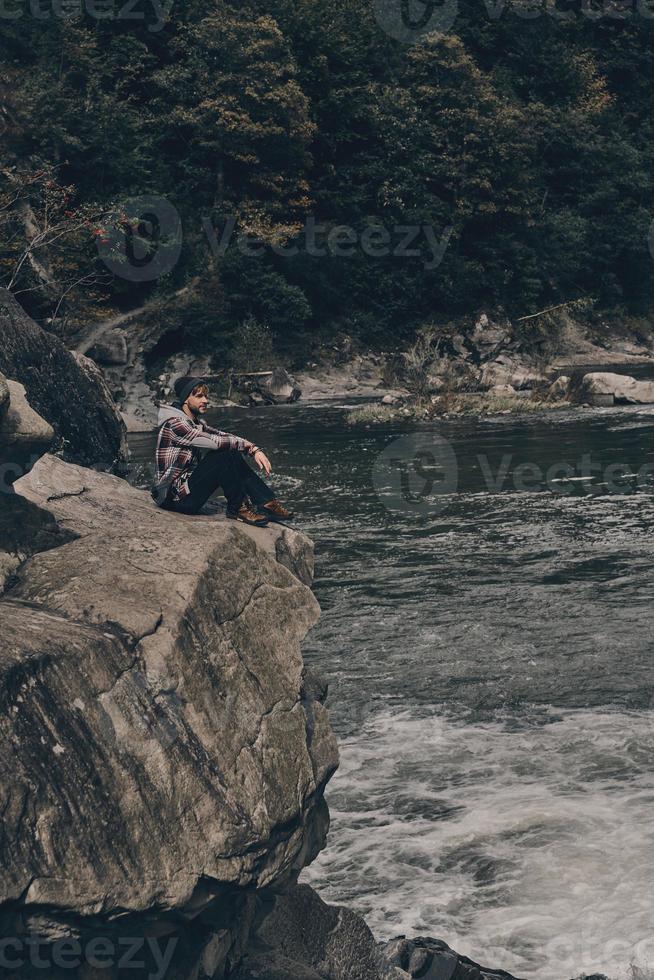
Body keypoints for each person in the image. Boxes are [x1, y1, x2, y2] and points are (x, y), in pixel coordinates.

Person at [151, 376, 294, 527]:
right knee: (224, 453)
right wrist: (250, 449)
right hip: (174, 498)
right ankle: (238, 508)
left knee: (230, 451)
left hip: (185, 492)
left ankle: (266, 503)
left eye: (206, 396)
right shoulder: (175, 424)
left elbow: (222, 435)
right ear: (186, 399)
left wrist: (253, 447)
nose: (205, 400)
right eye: (199, 396)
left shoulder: (193, 423)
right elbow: (216, 442)